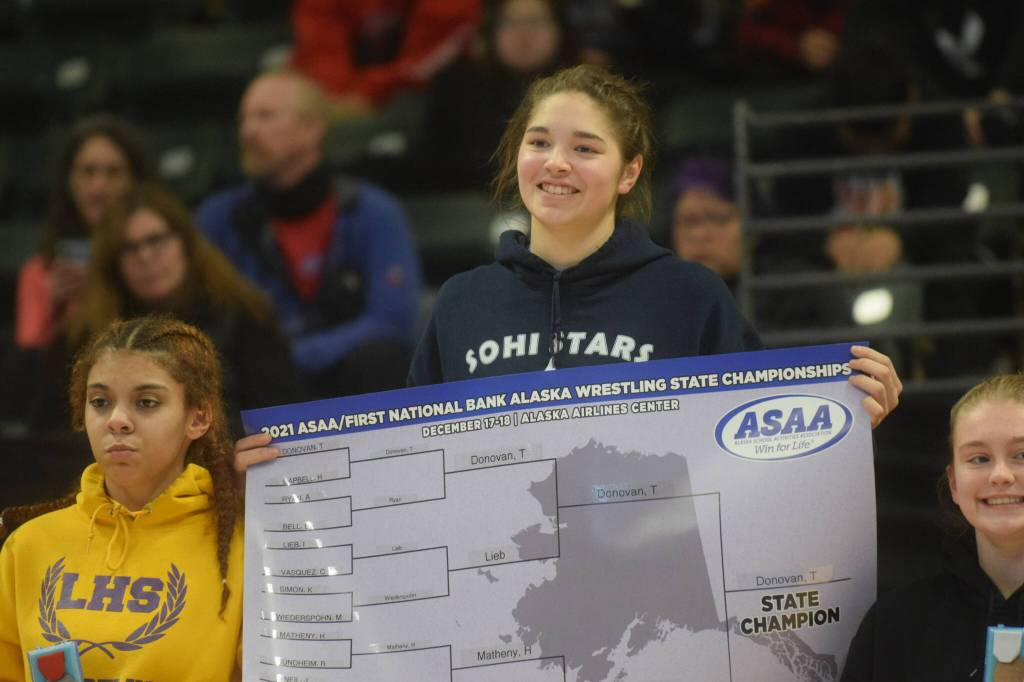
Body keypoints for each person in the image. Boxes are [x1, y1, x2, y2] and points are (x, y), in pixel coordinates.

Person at [233, 64, 902, 473]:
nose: (555, 163)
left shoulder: (689, 294)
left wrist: (840, 419)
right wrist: (291, 469)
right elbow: (409, 460)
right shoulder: (464, 303)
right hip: (503, 602)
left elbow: (751, 444)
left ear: (628, 171)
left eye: (585, 148)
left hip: (656, 595)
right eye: (538, 143)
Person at [0, 316, 243, 680]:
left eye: (146, 402)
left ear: (199, 416)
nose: (117, 420)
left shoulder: (241, 544)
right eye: (100, 401)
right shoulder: (28, 546)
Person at [197, 70, 421, 399]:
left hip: (347, 376)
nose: (248, 131)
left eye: (265, 116)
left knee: (381, 358)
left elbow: (392, 321)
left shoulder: (372, 211)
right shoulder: (218, 219)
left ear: (312, 129)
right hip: (257, 381)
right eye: (243, 119)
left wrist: (296, 355)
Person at [60, 183, 304, 434]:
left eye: (156, 240)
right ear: (112, 265)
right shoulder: (90, 335)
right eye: (129, 248)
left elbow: (282, 424)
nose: (145, 256)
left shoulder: (247, 316)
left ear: (185, 243)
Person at [841, 374, 1024, 681]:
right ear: (953, 483)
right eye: (979, 458)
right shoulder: (895, 623)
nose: (1000, 475)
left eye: (1021, 455)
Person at [15, 115, 151, 351]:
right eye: (88, 172)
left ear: (134, 181)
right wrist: (51, 307)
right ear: (69, 180)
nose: (98, 187)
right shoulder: (41, 272)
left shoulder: (150, 257)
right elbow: (25, 364)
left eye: (113, 172)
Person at [289, 0, 482, 113]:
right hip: (335, 99)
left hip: (423, 100)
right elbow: (320, 48)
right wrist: (339, 92)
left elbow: (424, 62)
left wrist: (367, 92)